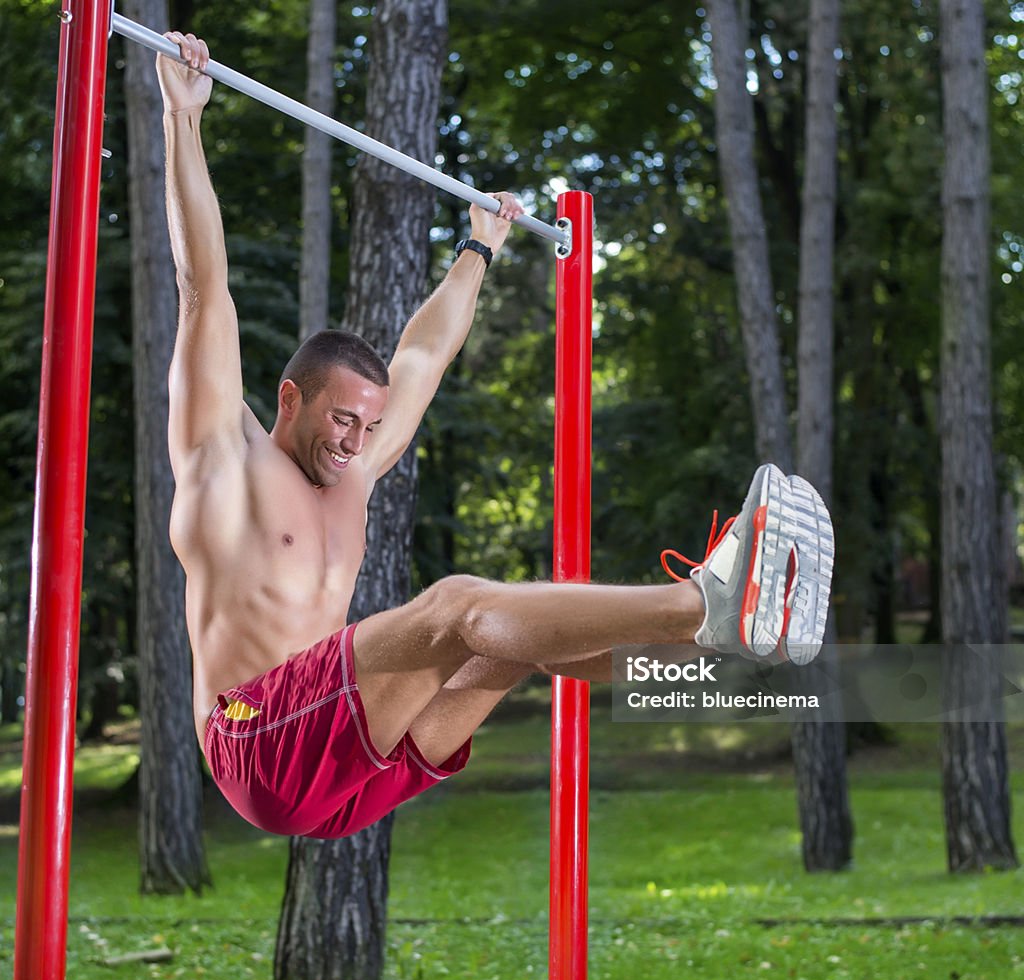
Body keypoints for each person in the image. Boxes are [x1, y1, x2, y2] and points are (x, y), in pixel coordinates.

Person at [157, 33, 834, 839]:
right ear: (290, 398)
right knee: (458, 605)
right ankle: (702, 602)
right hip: (254, 739)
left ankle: (713, 641)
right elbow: (205, 287)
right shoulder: (222, 459)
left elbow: (422, 355)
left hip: (347, 770)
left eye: (369, 425)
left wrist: (481, 243)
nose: (355, 440)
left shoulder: (359, 467)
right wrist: (182, 116)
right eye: (341, 419)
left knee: (512, 639)